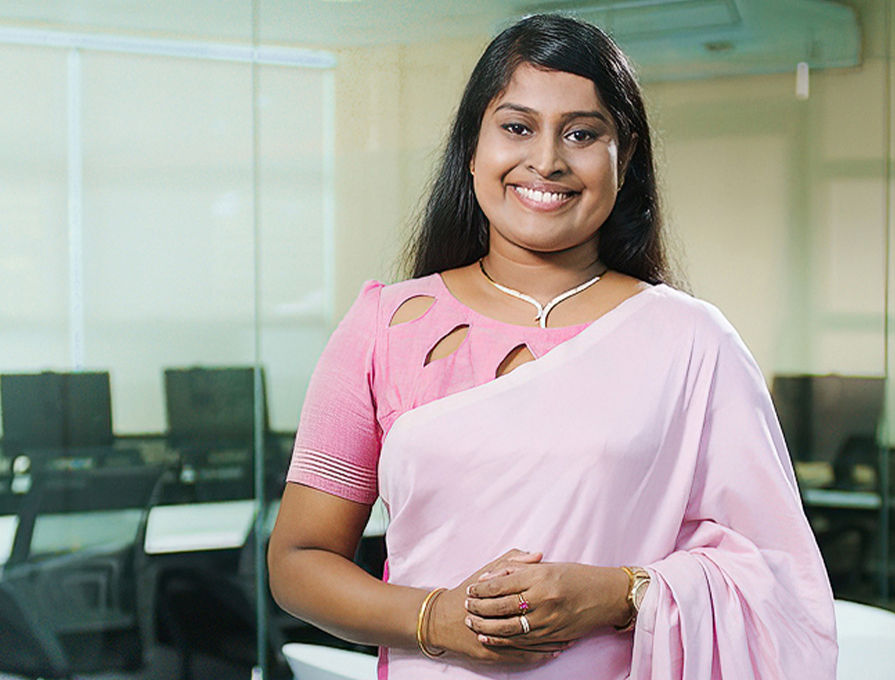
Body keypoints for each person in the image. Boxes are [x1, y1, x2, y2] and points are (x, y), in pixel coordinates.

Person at [267, 13, 837, 680]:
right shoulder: (381, 329)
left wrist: (620, 595)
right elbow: (299, 561)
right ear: (472, 149)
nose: (547, 160)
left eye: (582, 133)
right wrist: (434, 618)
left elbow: (778, 582)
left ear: (624, 157)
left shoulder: (693, 344)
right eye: (516, 127)